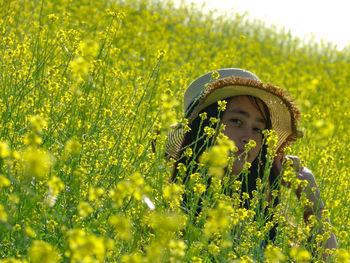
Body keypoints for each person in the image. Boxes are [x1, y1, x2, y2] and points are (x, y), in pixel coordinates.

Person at [166, 68, 337, 258]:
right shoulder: (172, 221)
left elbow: (328, 259)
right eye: (237, 121)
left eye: (257, 129)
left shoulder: (262, 224)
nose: (249, 138)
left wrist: (310, 193)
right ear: (206, 126)